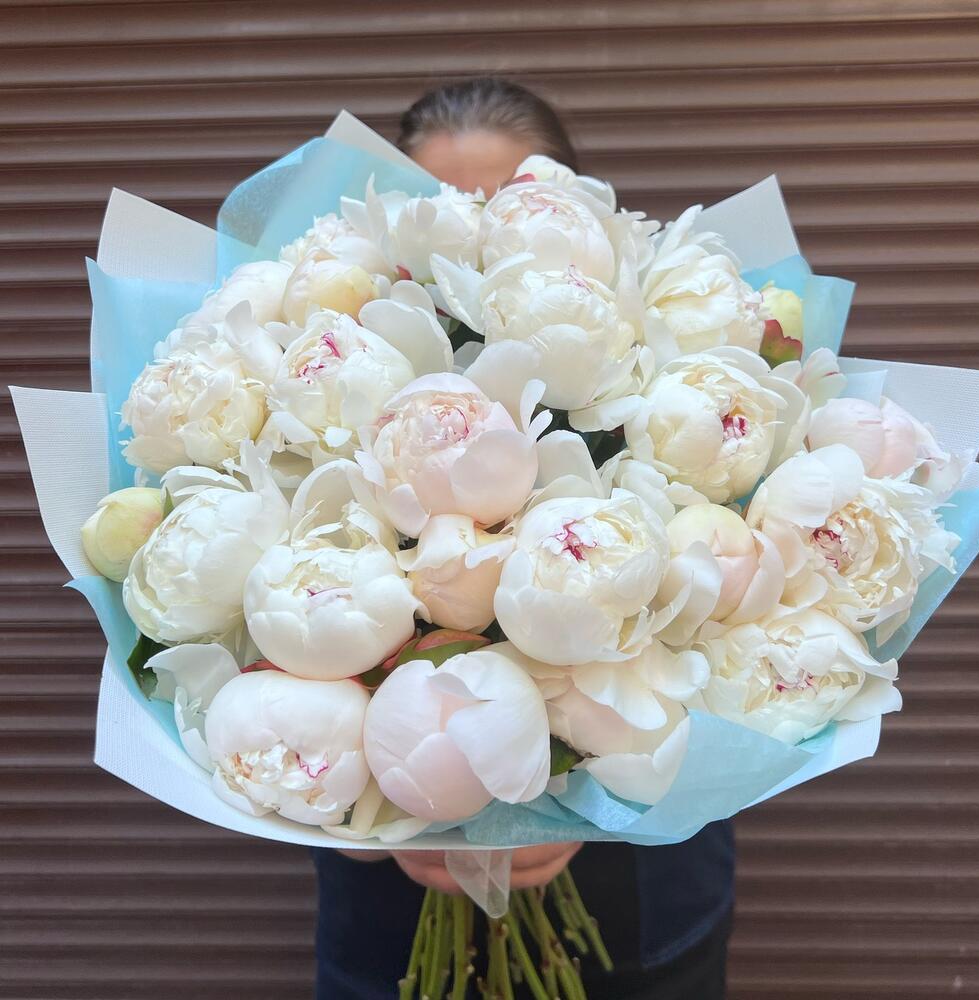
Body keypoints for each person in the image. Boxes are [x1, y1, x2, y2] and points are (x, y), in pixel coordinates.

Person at [312, 77, 734, 1000]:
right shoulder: (347, 377)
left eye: (508, 201)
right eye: (443, 205)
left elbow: (730, 650)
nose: (479, 227)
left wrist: (585, 794)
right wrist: (380, 817)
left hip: (635, 902)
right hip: (390, 913)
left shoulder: (652, 373)